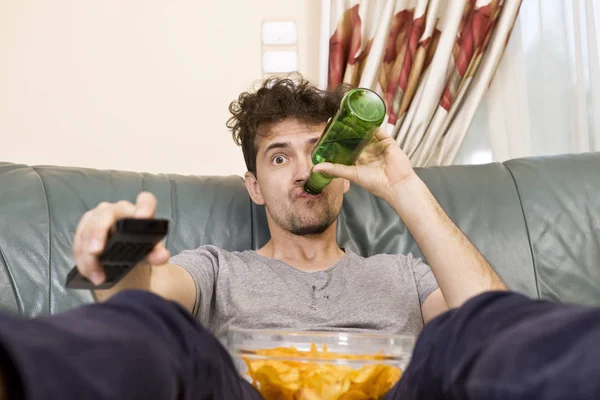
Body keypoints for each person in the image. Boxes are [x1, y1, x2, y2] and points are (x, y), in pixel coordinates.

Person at [0, 76, 509, 399]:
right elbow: (140, 300)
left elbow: (495, 327)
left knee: (472, 344)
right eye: (280, 156)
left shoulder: (403, 274)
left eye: (317, 150)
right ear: (255, 186)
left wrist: (403, 186)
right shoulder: (219, 270)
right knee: (169, 332)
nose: (303, 170)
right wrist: (118, 250)